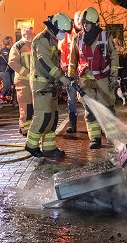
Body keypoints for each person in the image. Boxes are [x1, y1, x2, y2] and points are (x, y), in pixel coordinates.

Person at [68, 7, 120, 149]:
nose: (85, 26)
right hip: (85, 80)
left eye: (88, 23)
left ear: (95, 23)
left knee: (108, 107)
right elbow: (73, 59)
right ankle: (95, 138)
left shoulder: (105, 36)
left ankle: (111, 136)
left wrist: (114, 77)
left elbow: (114, 56)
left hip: (103, 78)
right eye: (83, 23)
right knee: (90, 110)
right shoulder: (77, 38)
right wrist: (70, 76)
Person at [25, 13, 73, 158]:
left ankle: (49, 147)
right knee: (43, 115)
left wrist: (62, 76)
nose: (63, 35)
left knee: (53, 117)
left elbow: (54, 62)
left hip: (50, 83)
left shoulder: (51, 40)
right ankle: (31, 145)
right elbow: (44, 62)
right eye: (63, 31)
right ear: (55, 27)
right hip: (41, 84)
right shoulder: (42, 39)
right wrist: (60, 77)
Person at [8, 25, 35, 136]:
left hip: (33, 81)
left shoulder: (34, 45)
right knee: (26, 107)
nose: (33, 35)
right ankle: (24, 128)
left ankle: (29, 128)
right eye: (31, 34)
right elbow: (12, 62)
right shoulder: (18, 46)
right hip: (23, 82)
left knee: (32, 107)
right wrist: (27, 73)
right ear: (24, 34)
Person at [58, 11, 81, 133]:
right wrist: (65, 71)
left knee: (89, 97)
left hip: (84, 71)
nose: (80, 22)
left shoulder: (87, 34)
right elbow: (62, 53)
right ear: (74, 20)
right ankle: (72, 123)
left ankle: (95, 124)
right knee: (71, 98)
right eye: (78, 19)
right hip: (71, 71)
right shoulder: (67, 35)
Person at [0, 36, 15, 104]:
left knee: (14, 85)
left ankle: (14, 100)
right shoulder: (4, 51)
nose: (13, 42)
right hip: (5, 71)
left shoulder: (11, 50)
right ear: (9, 42)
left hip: (11, 70)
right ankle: (0, 99)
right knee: (7, 86)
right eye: (12, 41)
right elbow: (9, 61)